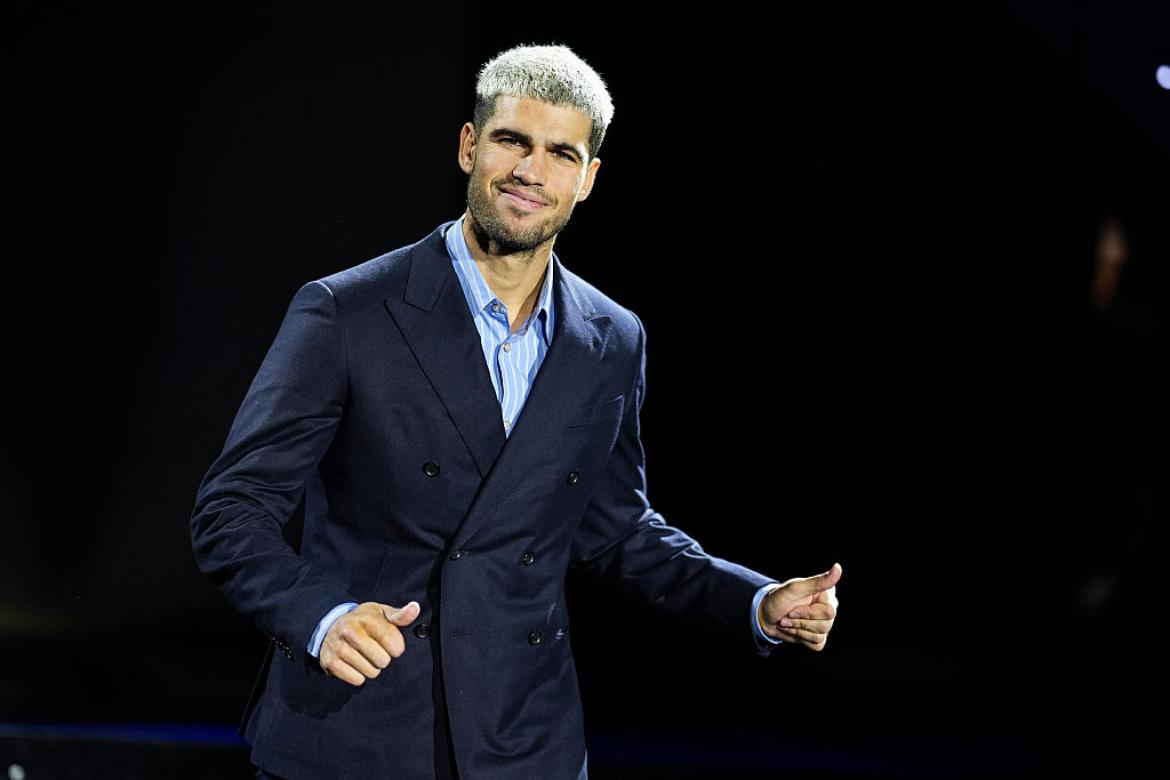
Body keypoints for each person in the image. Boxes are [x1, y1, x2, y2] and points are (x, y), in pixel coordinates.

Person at [190, 43, 841, 780]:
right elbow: (232, 511)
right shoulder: (348, 312)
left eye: (561, 153)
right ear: (470, 147)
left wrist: (756, 601)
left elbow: (615, 527)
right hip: (360, 730)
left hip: (528, 739)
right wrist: (324, 617)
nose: (532, 171)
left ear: (589, 179)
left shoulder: (611, 338)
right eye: (512, 141)